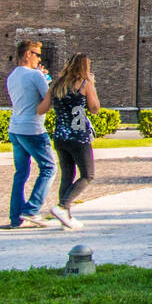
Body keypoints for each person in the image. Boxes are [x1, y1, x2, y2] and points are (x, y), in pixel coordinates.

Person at [36, 53, 99, 229]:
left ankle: (65, 217)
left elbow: (41, 109)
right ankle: (62, 207)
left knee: (67, 176)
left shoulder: (56, 85)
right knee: (87, 175)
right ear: (85, 67)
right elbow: (94, 109)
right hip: (79, 137)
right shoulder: (84, 85)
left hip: (60, 137)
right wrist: (92, 86)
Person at [6, 40, 56, 228]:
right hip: (33, 129)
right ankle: (31, 209)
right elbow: (48, 97)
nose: (39, 58)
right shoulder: (35, 75)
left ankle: (15, 217)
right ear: (27, 54)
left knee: (20, 173)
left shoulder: (12, 76)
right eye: (36, 54)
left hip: (15, 128)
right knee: (49, 167)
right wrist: (46, 78)